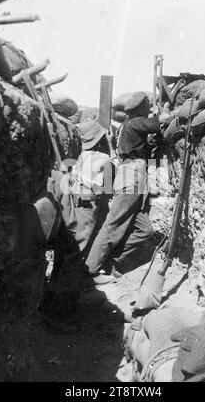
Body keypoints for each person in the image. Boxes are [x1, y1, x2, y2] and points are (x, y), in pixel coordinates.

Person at [85, 92, 167, 278]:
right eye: (148, 106)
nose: (150, 109)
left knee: (145, 230)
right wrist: (166, 113)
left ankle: (113, 262)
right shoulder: (136, 123)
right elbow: (161, 121)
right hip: (131, 179)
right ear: (142, 108)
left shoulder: (126, 125)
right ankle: (90, 270)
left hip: (131, 179)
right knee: (113, 226)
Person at [51, 117, 119, 289]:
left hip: (74, 202)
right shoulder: (104, 158)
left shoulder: (79, 155)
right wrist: (111, 148)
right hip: (88, 205)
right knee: (79, 249)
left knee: (68, 246)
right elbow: (109, 185)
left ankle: (55, 284)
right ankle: (67, 293)